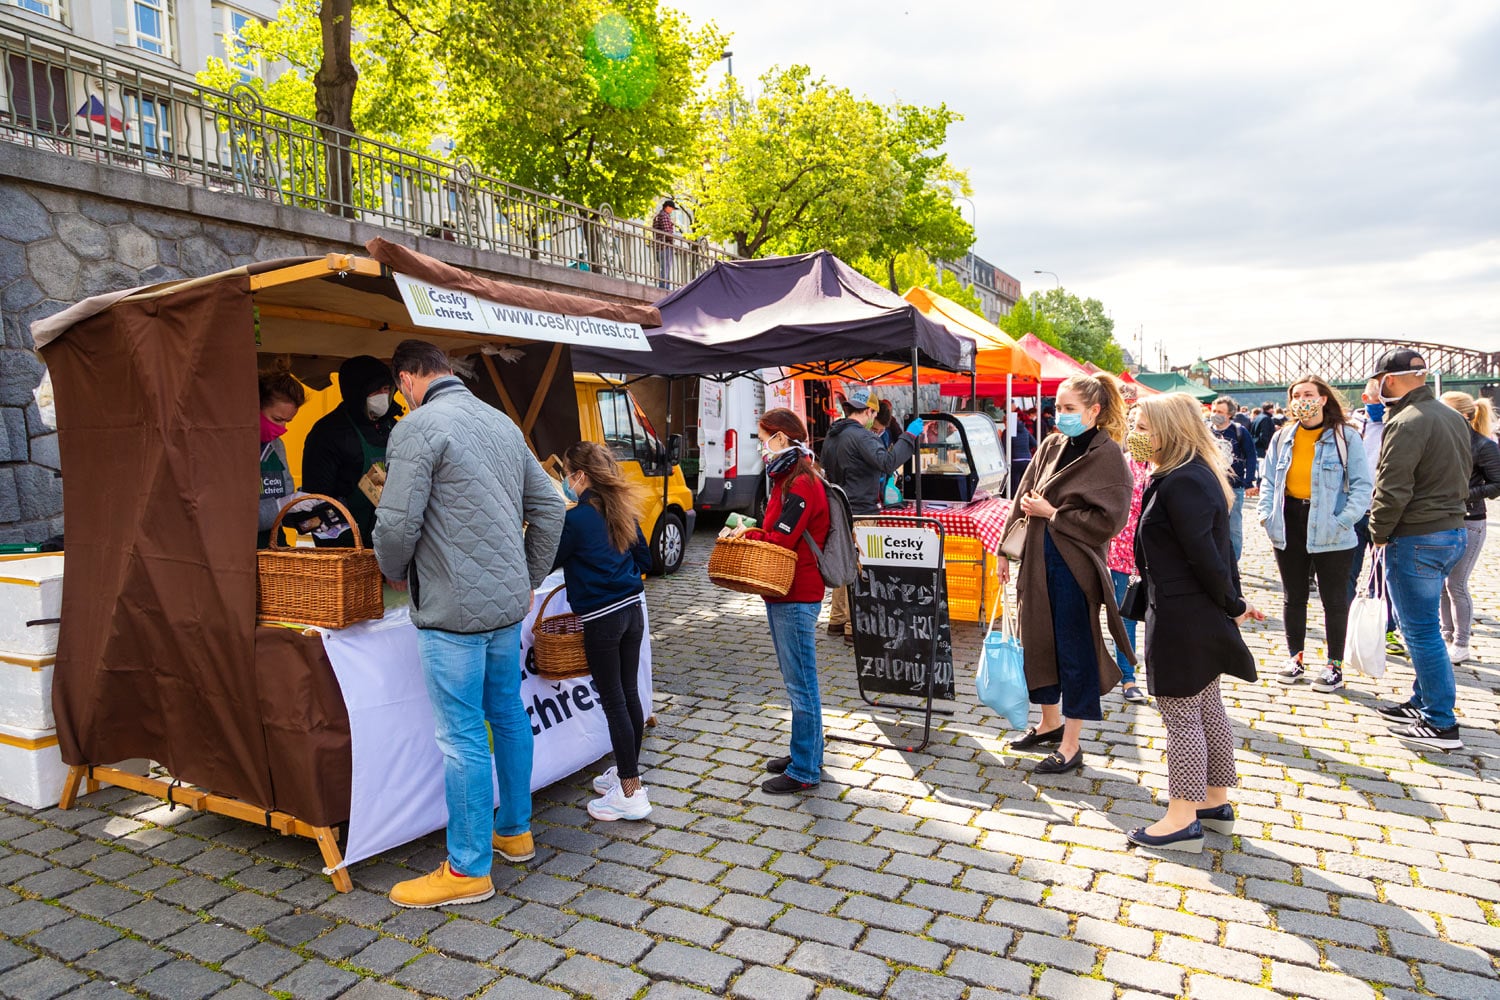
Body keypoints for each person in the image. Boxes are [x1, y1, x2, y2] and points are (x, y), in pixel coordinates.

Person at [373, 340, 565, 907]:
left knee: (461, 738)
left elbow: (394, 526)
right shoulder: (500, 422)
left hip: (452, 611)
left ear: (408, 378)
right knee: (505, 716)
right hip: (504, 608)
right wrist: (527, 578)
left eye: (399, 388)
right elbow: (552, 506)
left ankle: (467, 869)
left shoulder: (417, 428)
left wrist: (395, 572)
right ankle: (515, 832)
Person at [1127, 392, 1261, 853]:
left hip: (1181, 613)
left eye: (1142, 428)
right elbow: (1217, 550)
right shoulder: (1191, 474)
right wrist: (1231, 602)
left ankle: (1182, 816)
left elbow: (1207, 555)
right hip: (1192, 608)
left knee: (1181, 715)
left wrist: (1233, 603)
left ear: (1170, 431)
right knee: (1206, 707)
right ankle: (1214, 801)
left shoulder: (1183, 480)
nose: (1134, 436)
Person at [997, 373, 1134, 774]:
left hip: (1074, 563)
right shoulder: (1051, 444)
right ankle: (1049, 721)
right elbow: (1022, 496)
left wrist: (1054, 513)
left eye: (1070, 408)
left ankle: (1072, 744)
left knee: (1075, 648)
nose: (1061, 415)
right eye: (1058, 407)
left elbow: (1109, 521)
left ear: (1094, 411)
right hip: (1037, 559)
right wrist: (1006, 548)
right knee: (1038, 640)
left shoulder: (1108, 456)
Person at [1366, 349, 1472, 751]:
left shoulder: (1407, 421)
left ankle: (1440, 721)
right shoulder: (1449, 415)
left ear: (1388, 380)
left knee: (1420, 631)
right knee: (1425, 625)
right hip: (1450, 530)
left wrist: (1377, 532)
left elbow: (1393, 487)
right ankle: (1423, 700)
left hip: (1416, 535)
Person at [722, 408, 830, 794]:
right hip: (785, 589)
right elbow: (776, 528)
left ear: (782, 439)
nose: (760, 445)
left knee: (802, 684)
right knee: (798, 680)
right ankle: (807, 752)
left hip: (796, 592)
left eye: (763, 437)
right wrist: (750, 528)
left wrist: (746, 537)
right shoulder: (792, 476)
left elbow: (783, 539)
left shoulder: (801, 482)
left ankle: (804, 770)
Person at [554, 442, 655, 821]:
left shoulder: (577, 518)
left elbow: (550, 559)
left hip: (602, 618)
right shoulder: (623, 510)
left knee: (614, 699)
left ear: (579, 476)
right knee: (628, 694)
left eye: (567, 473)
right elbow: (645, 559)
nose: (566, 481)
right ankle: (628, 772)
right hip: (632, 611)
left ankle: (630, 789)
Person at [1256, 375, 1372, 694]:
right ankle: (1296, 657)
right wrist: (1267, 514)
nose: (1301, 399)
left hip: (1330, 523)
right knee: (1294, 596)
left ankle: (1334, 665)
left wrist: (1344, 519)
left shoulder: (1344, 437)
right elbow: (1268, 480)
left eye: (1308, 394)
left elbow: (1363, 485)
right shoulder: (1283, 437)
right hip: (1290, 520)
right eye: (1295, 394)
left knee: (1334, 599)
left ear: (1323, 399)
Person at [820, 385, 922, 642]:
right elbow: (887, 463)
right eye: (872, 415)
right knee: (861, 568)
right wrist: (908, 437)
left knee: (845, 562)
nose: (873, 420)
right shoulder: (861, 436)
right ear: (868, 411)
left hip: (839, 506)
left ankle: (837, 620)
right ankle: (855, 627)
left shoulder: (833, 434)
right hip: (861, 510)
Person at [303, 355, 401, 548]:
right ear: (357, 391)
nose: (383, 395)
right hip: (347, 545)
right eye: (376, 390)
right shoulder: (328, 432)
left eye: (387, 389)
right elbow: (316, 498)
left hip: (389, 539)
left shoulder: (392, 425)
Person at [1438, 392, 1499, 665]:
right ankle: (1446, 635)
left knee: (1456, 584)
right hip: (1441, 518)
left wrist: (1462, 493)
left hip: (1470, 521)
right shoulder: (1440, 440)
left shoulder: (1484, 445)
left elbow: (1497, 484)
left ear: (1462, 415)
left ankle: (1462, 643)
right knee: (1440, 583)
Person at [1345, 379, 1401, 654]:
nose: (1376, 403)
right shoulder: (1354, 427)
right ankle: (1345, 626)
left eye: (1382, 398)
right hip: (1355, 512)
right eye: (1371, 398)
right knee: (1347, 574)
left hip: (1386, 513)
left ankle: (1387, 630)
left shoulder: (1400, 426)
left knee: (1384, 576)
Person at [1107, 406, 1152, 704]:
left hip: (1159, 556)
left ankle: (1164, 676)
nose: (1138, 434)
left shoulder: (1171, 466)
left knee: (1162, 619)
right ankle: (1128, 678)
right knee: (1126, 619)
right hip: (1123, 554)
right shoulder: (1121, 464)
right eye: (1135, 427)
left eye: (1145, 428)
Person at [257, 363, 324, 548]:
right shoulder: (230, 449)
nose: (282, 429)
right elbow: (231, 517)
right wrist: (281, 505)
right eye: (277, 420)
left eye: (288, 421)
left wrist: (308, 515)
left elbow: (286, 508)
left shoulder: (277, 446)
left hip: (275, 553)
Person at [1210, 395, 1259, 562]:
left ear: (1229, 414)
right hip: (1211, 485)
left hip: (1234, 485)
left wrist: (1249, 481)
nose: (1216, 414)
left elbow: (1251, 456)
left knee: (1234, 527)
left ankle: (1233, 562)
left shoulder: (1239, 431)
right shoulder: (1207, 431)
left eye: (1220, 412)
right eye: (1214, 410)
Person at [652, 198, 676, 288]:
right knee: (666, 268)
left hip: (658, 246)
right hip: (665, 246)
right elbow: (667, 232)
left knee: (663, 268)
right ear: (667, 207)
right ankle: (665, 287)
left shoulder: (657, 216)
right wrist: (672, 239)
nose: (672, 211)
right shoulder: (665, 216)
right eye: (672, 208)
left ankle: (664, 286)